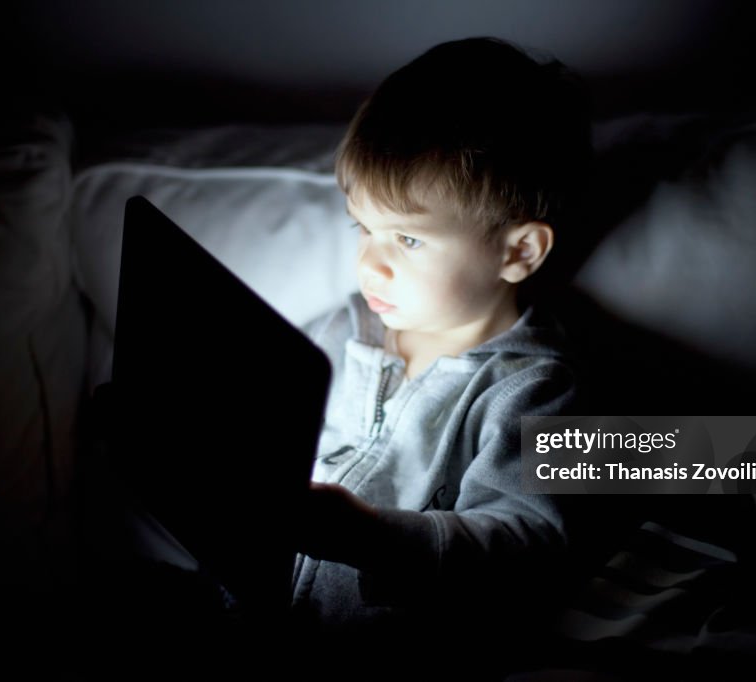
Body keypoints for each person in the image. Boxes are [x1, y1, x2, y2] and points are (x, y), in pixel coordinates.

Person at [290, 36, 595, 665]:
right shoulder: (343, 328)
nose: (369, 263)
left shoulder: (531, 388)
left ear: (518, 253)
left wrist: (372, 540)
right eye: (364, 229)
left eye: (407, 239)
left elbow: (527, 541)